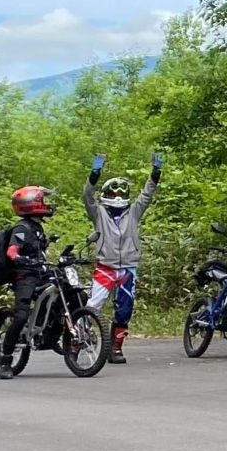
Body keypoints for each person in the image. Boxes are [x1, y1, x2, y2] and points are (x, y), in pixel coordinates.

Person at [82, 154, 161, 365]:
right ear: (107, 193)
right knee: (92, 306)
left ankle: (116, 348)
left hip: (128, 268)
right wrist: (94, 174)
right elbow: (87, 196)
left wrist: (155, 174)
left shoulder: (134, 212)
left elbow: (147, 195)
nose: (118, 195)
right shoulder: (98, 212)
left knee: (124, 309)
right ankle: (78, 339)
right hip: (105, 267)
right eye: (114, 191)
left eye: (122, 192)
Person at [0, 186, 57, 378]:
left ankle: (52, 335)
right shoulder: (22, 228)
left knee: (71, 292)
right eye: (42, 200)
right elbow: (12, 251)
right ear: (32, 204)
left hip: (41, 272)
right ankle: (6, 360)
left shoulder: (37, 227)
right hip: (25, 276)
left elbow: (38, 250)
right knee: (21, 315)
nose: (46, 204)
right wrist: (20, 259)